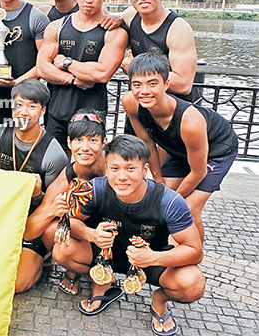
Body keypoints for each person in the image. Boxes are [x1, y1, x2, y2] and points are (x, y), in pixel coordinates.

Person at [52, 135, 205, 336]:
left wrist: (153, 257)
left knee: (193, 283)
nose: (122, 177)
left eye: (130, 169)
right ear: (106, 169)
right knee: (62, 249)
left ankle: (159, 301)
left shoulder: (169, 201)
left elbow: (195, 251)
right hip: (104, 255)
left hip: (149, 260)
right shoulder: (96, 189)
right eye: (115, 169)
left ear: (145, 170)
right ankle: (103, 282)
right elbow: (69, 221)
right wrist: (92, 234)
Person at [123, 53, 238, 240]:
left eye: (152, 83)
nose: (144, 91)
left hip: (216, 150)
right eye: (137, 84)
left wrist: (173, 199)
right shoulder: (131, 102)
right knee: (157, 201)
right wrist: (157, 178)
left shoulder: (190, 121)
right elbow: (147, 142)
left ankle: (193, 258)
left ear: (166, 84)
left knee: (188, 210)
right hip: (178, 150)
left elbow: (198, 171)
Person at [0, 79, 68, 292]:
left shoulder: (53, 153)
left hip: (33, 221)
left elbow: (51, 208)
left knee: (18, 284)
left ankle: (43, 258)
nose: (24, 112)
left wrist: (37, 194)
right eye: (19, 105)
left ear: (43, 110)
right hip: (4, 215)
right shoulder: (0, 132)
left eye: (32, 106)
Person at [37, 0, 127, 152]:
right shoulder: (57, 26)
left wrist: (66, 62)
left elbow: (102, 73)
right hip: (56, 111)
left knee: (89, 168)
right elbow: (43, 68)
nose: (88, 0)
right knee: (54, 165)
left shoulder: (113, 32)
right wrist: (74, 79)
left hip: (92, 114)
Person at [24, 109, 107, 295]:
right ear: (69, 143)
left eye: (92, 140)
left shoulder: (115, 171)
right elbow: (29, 232)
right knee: (51, 231)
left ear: (104, 143)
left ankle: (101, 271)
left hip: (115, 236)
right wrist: (52, 210)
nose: (84, 148)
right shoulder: (66, 178)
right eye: (78, 140)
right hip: (86, 238)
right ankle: (88, 274)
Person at [108, 0, 197, 100]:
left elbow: (183, 84)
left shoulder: (178, 29)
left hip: (171, 107)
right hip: (140, 102)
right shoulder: (130, 16)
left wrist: (135, 70)